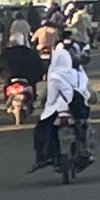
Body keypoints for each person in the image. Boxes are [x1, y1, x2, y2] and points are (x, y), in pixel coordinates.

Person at [33, 24, 91, 170]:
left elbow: (44, 96)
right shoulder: (79, 77)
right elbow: (93, 95)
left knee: (43, 129)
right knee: (84, 125)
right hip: (76, 111)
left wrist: (39, 103)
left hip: (56, 113)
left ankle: (43, 156)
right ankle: (86, 151)